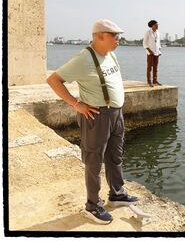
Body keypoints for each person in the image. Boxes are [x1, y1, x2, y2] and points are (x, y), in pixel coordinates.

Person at [46, 19, 138, 225]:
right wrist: (76, 104)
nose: (119, 39)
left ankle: (117, 194)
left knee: (115, 155)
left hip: (116, 114)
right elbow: (53, 80)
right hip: (97, 116)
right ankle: (93, 205)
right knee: (94, 160)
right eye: (115, 36)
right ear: (99, 36)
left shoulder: (110, 54)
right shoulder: (84, 59)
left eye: (118, 35)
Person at [143, 19, 162, 87]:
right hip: (150, 53)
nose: (157, 26)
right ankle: (149, 81)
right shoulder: (147, 33)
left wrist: (159, 51)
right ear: (152, 26)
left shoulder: (158, 32)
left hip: (157, 52)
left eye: (157, 25)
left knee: (156, 67)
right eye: (156, 25)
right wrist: (149, 51)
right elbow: (144, 43)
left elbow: (158, 43)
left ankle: (155, 80)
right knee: (149, 67)